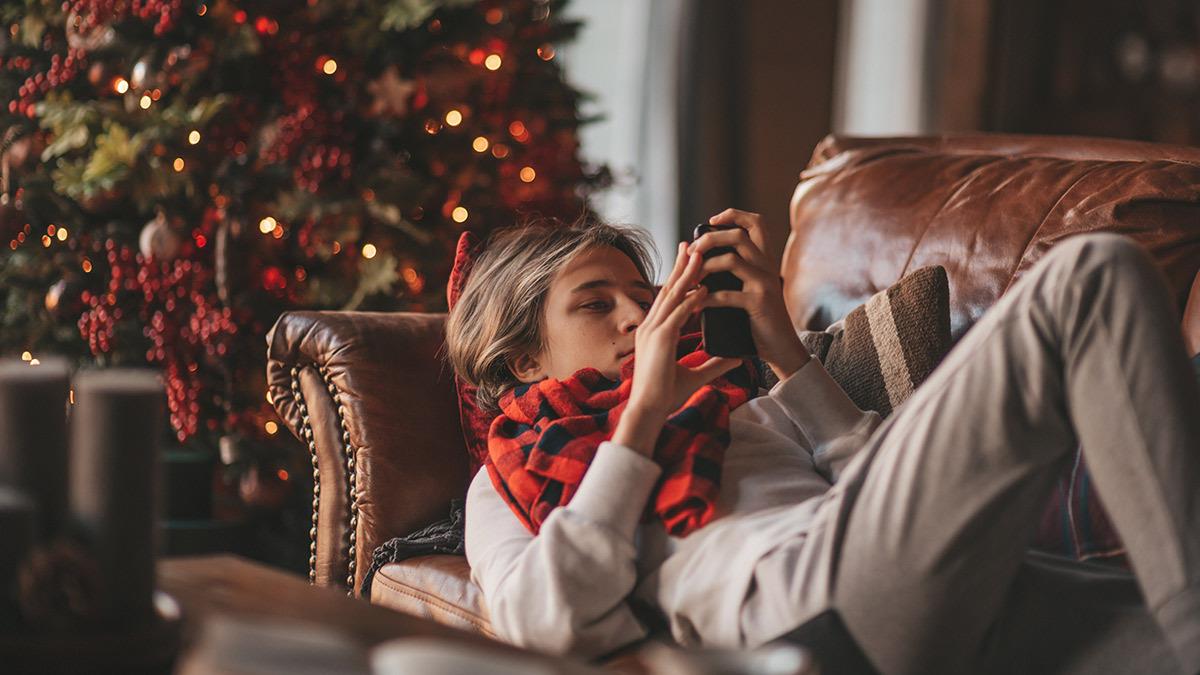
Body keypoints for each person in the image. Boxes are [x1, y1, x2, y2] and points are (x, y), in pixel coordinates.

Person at [445, 209, 1200, 675]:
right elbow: (541, 622)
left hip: (961, 594)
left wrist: (786, 354)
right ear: (524, 359)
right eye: (595, 303)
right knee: (1094, 273)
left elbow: (905, 493)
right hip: (807, 621)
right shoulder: (509, 477)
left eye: (645, 297)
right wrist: (640, 420)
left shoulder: (740, 403)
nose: (637, 317)